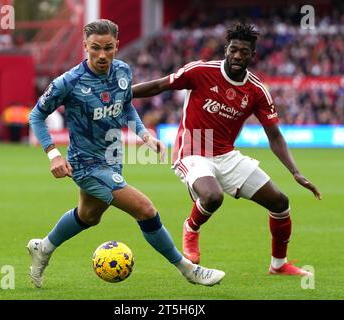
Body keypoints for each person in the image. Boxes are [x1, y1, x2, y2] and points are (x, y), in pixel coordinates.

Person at [27, 19, 225, 288]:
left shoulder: (122, 71)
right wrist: (53, 154)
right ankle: (188, 269)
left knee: (88, 216)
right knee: (145, 209)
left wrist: (144, 135)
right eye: (94, 48)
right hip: (85, 165)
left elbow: (126, 107)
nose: (101, 55)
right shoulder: (69, 82)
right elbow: (37, 115)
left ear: (117, 46)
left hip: (113, 159)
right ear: (85, 47)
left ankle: (44, 248)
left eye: (108, 48)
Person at [132, 23, 321, 276]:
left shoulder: (256, 91)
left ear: (253, 56)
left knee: (280, 202)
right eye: (233, 50)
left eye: (244, 52)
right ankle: (191, 228)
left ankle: (278, 265)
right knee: (212, 197)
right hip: (192, 150)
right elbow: (159, 86)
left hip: (226, 155)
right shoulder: (200, 71)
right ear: (226, 49)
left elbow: (274, 136)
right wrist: (122, 94)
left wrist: (295, 172)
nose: (237, 56)